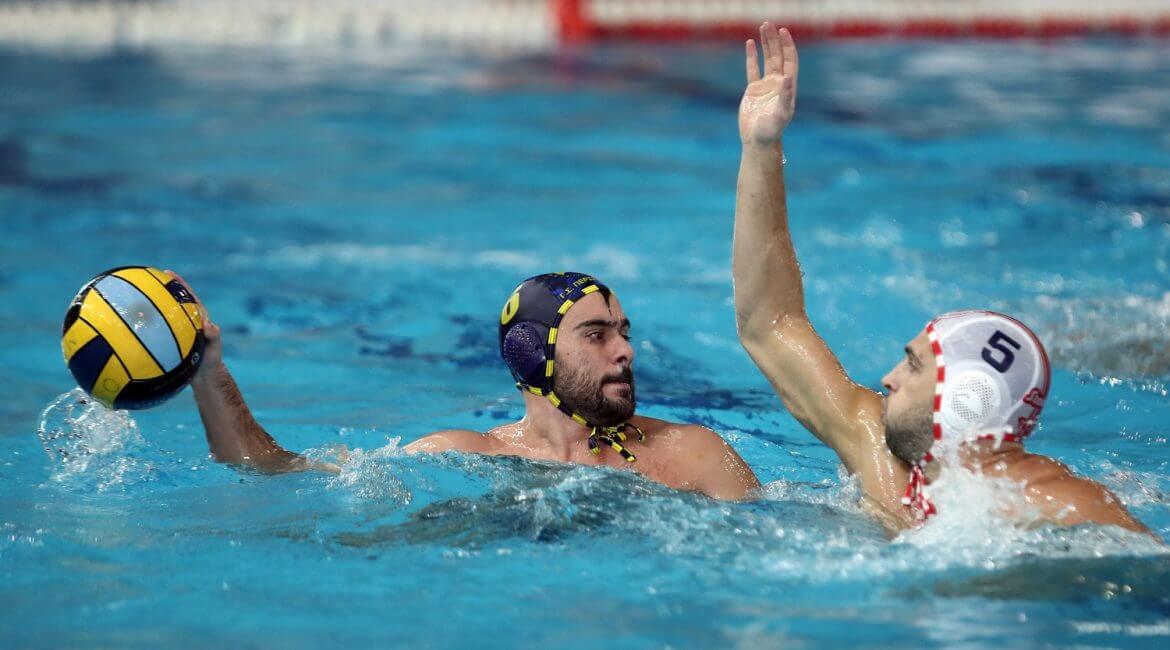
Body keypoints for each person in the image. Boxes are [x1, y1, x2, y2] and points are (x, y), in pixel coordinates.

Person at [732, 23, 1150, 534]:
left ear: (965, 397)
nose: (888, 378)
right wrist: (760, 148)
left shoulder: (1059, 505)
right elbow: (770, 325)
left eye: (913, 365)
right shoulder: (880, 453)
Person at [179, 271, 761, 501]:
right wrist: (210, 373)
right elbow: (273, 472)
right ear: (532, 355)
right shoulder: (465, 457)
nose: (625, 350)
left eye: (624, 333)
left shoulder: (695, 454)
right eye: (596, 334)